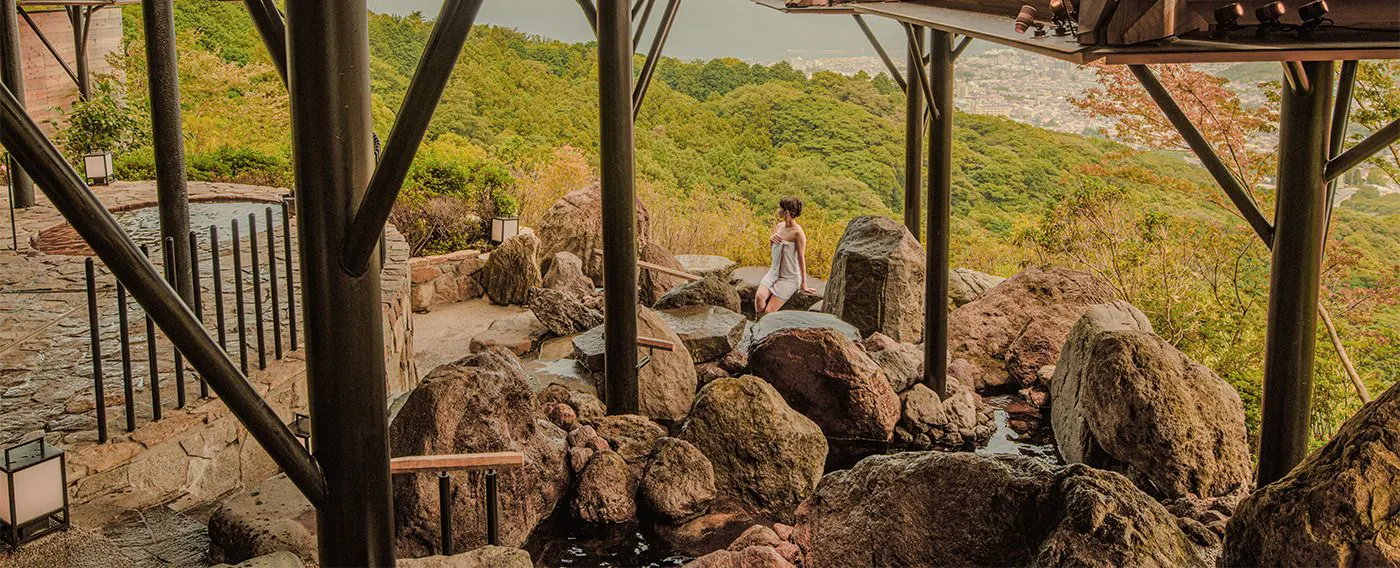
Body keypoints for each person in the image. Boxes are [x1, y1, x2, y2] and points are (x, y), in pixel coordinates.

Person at [755, 196, 816, 314]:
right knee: (759, 298)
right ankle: (758, 326)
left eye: (780, 208)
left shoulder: (798, 233)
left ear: (786, 212)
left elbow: (801, 258)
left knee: (768, 312)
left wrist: (804, 283)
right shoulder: (779, 226)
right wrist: (771, 240)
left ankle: (762, 328)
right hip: (774, 272)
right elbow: (773, 251)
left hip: (789, 277)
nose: (778, 210)